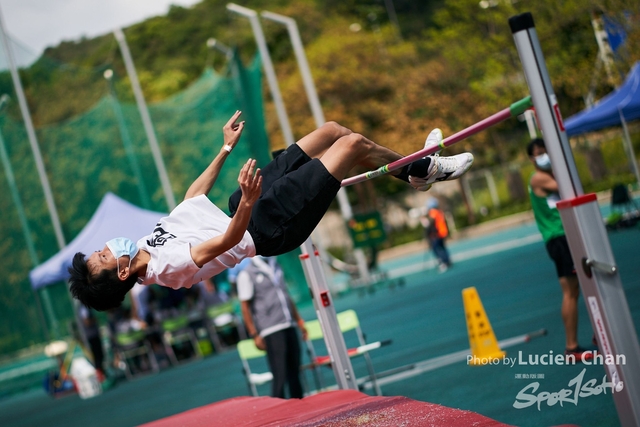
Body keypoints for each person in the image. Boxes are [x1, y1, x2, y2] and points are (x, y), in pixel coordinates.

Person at [69, 112, 474, 311]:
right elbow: (228, 241)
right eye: (104, 255)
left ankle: (417, 173)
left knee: (333, 130)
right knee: (351, 148)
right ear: (121, 273)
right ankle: (423, 169)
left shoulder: (141, 245)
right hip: (263, 226)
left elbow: (190, 200)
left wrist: (225, 149)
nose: (107, 246)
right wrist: (248, 199)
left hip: (242, 206)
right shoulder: (167, 269)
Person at [527, 138, 592, 361]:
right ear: (531, 158)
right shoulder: (539, 178)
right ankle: (572, 347)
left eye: (546, 151)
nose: (544, 156)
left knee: (580, 287)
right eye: (539, 153)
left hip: (562, 237)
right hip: (559, 237)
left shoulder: (547, 175)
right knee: (571, 291)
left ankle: (593, 336)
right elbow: (568, 186)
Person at [237, 256, 306, 398]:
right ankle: (277, 413)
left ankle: (300, 406)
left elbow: (285, 295)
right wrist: (254, 334)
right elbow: (245, 307)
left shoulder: (276, 265)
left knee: (295, 372)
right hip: (271, 329)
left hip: (288, 323)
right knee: (280, 374)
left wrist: (299, 321)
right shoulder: (247, 274)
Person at [421, 197, 451, 272]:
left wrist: (427, 229)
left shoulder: (433, 212)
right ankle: (447, 261)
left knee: (436, 249)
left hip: (437, 234)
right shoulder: (439, 212)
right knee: (442, 248)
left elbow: (431, 223)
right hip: (442, 232)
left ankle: (443, 262)